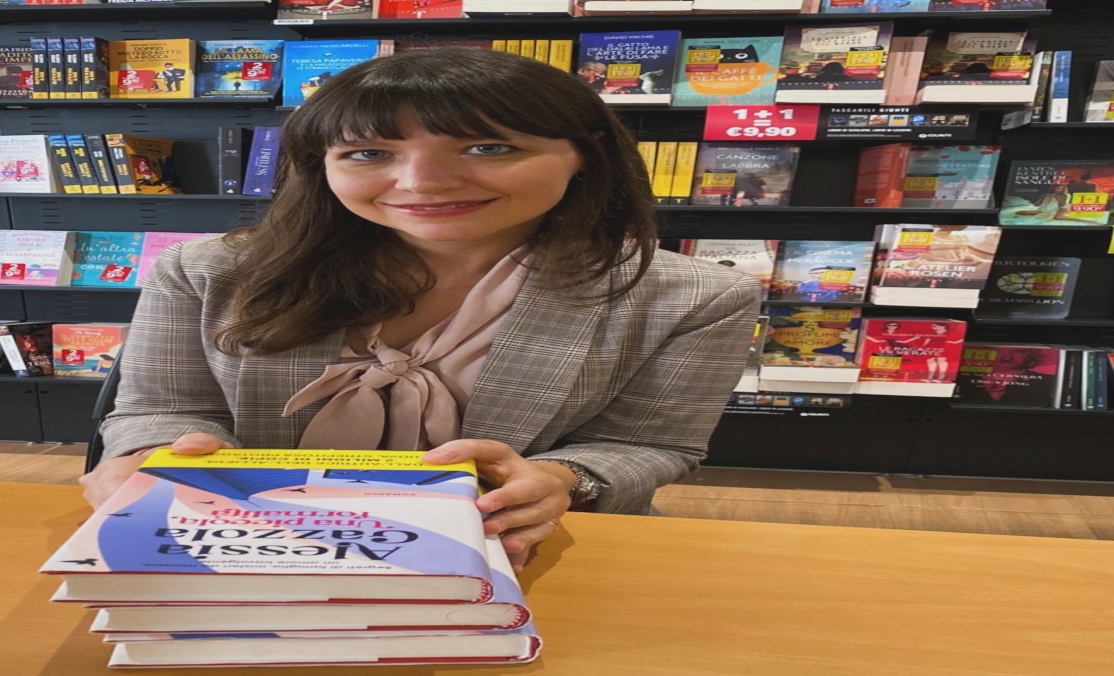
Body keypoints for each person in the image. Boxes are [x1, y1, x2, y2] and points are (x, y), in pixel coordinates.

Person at [81, 47, 760, 572]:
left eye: (489, 147)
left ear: (585, 156)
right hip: (247, 544)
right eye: (369, 153)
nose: (422, 182)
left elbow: (649, 445)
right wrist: (153, 456)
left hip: (521, 556)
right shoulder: (206, 271)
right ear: (323, 165)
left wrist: (561, 479)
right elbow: (160, 408)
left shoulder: (695, 297)